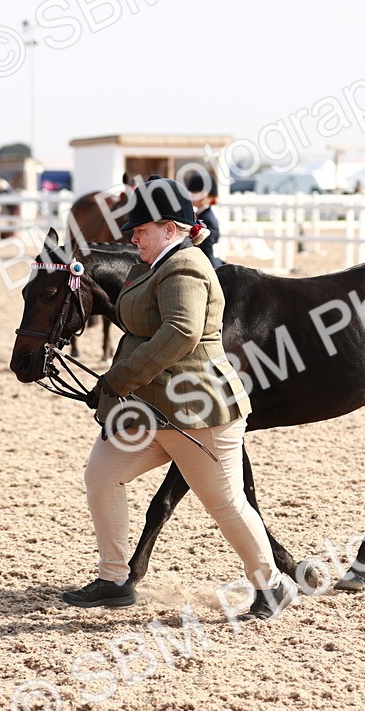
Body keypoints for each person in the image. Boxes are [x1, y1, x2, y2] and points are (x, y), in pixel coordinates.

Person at [62, 177, 294, 622]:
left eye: (141, 229)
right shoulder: (150, 265)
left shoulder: (184, 267)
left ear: (170, 229)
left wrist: (119, 378)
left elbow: (182, 332)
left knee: (225, 503)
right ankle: (114, 580)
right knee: (102, 475)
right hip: (152, 410)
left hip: (196, 410)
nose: (132, 236)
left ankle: (272, 585)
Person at [186, 173, 222, 267]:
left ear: (210, 197)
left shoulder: (208, 219)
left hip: (209, 263)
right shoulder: (200, 215)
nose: (194, 196)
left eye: (198, 193)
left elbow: (206, 249)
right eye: (192, 193)